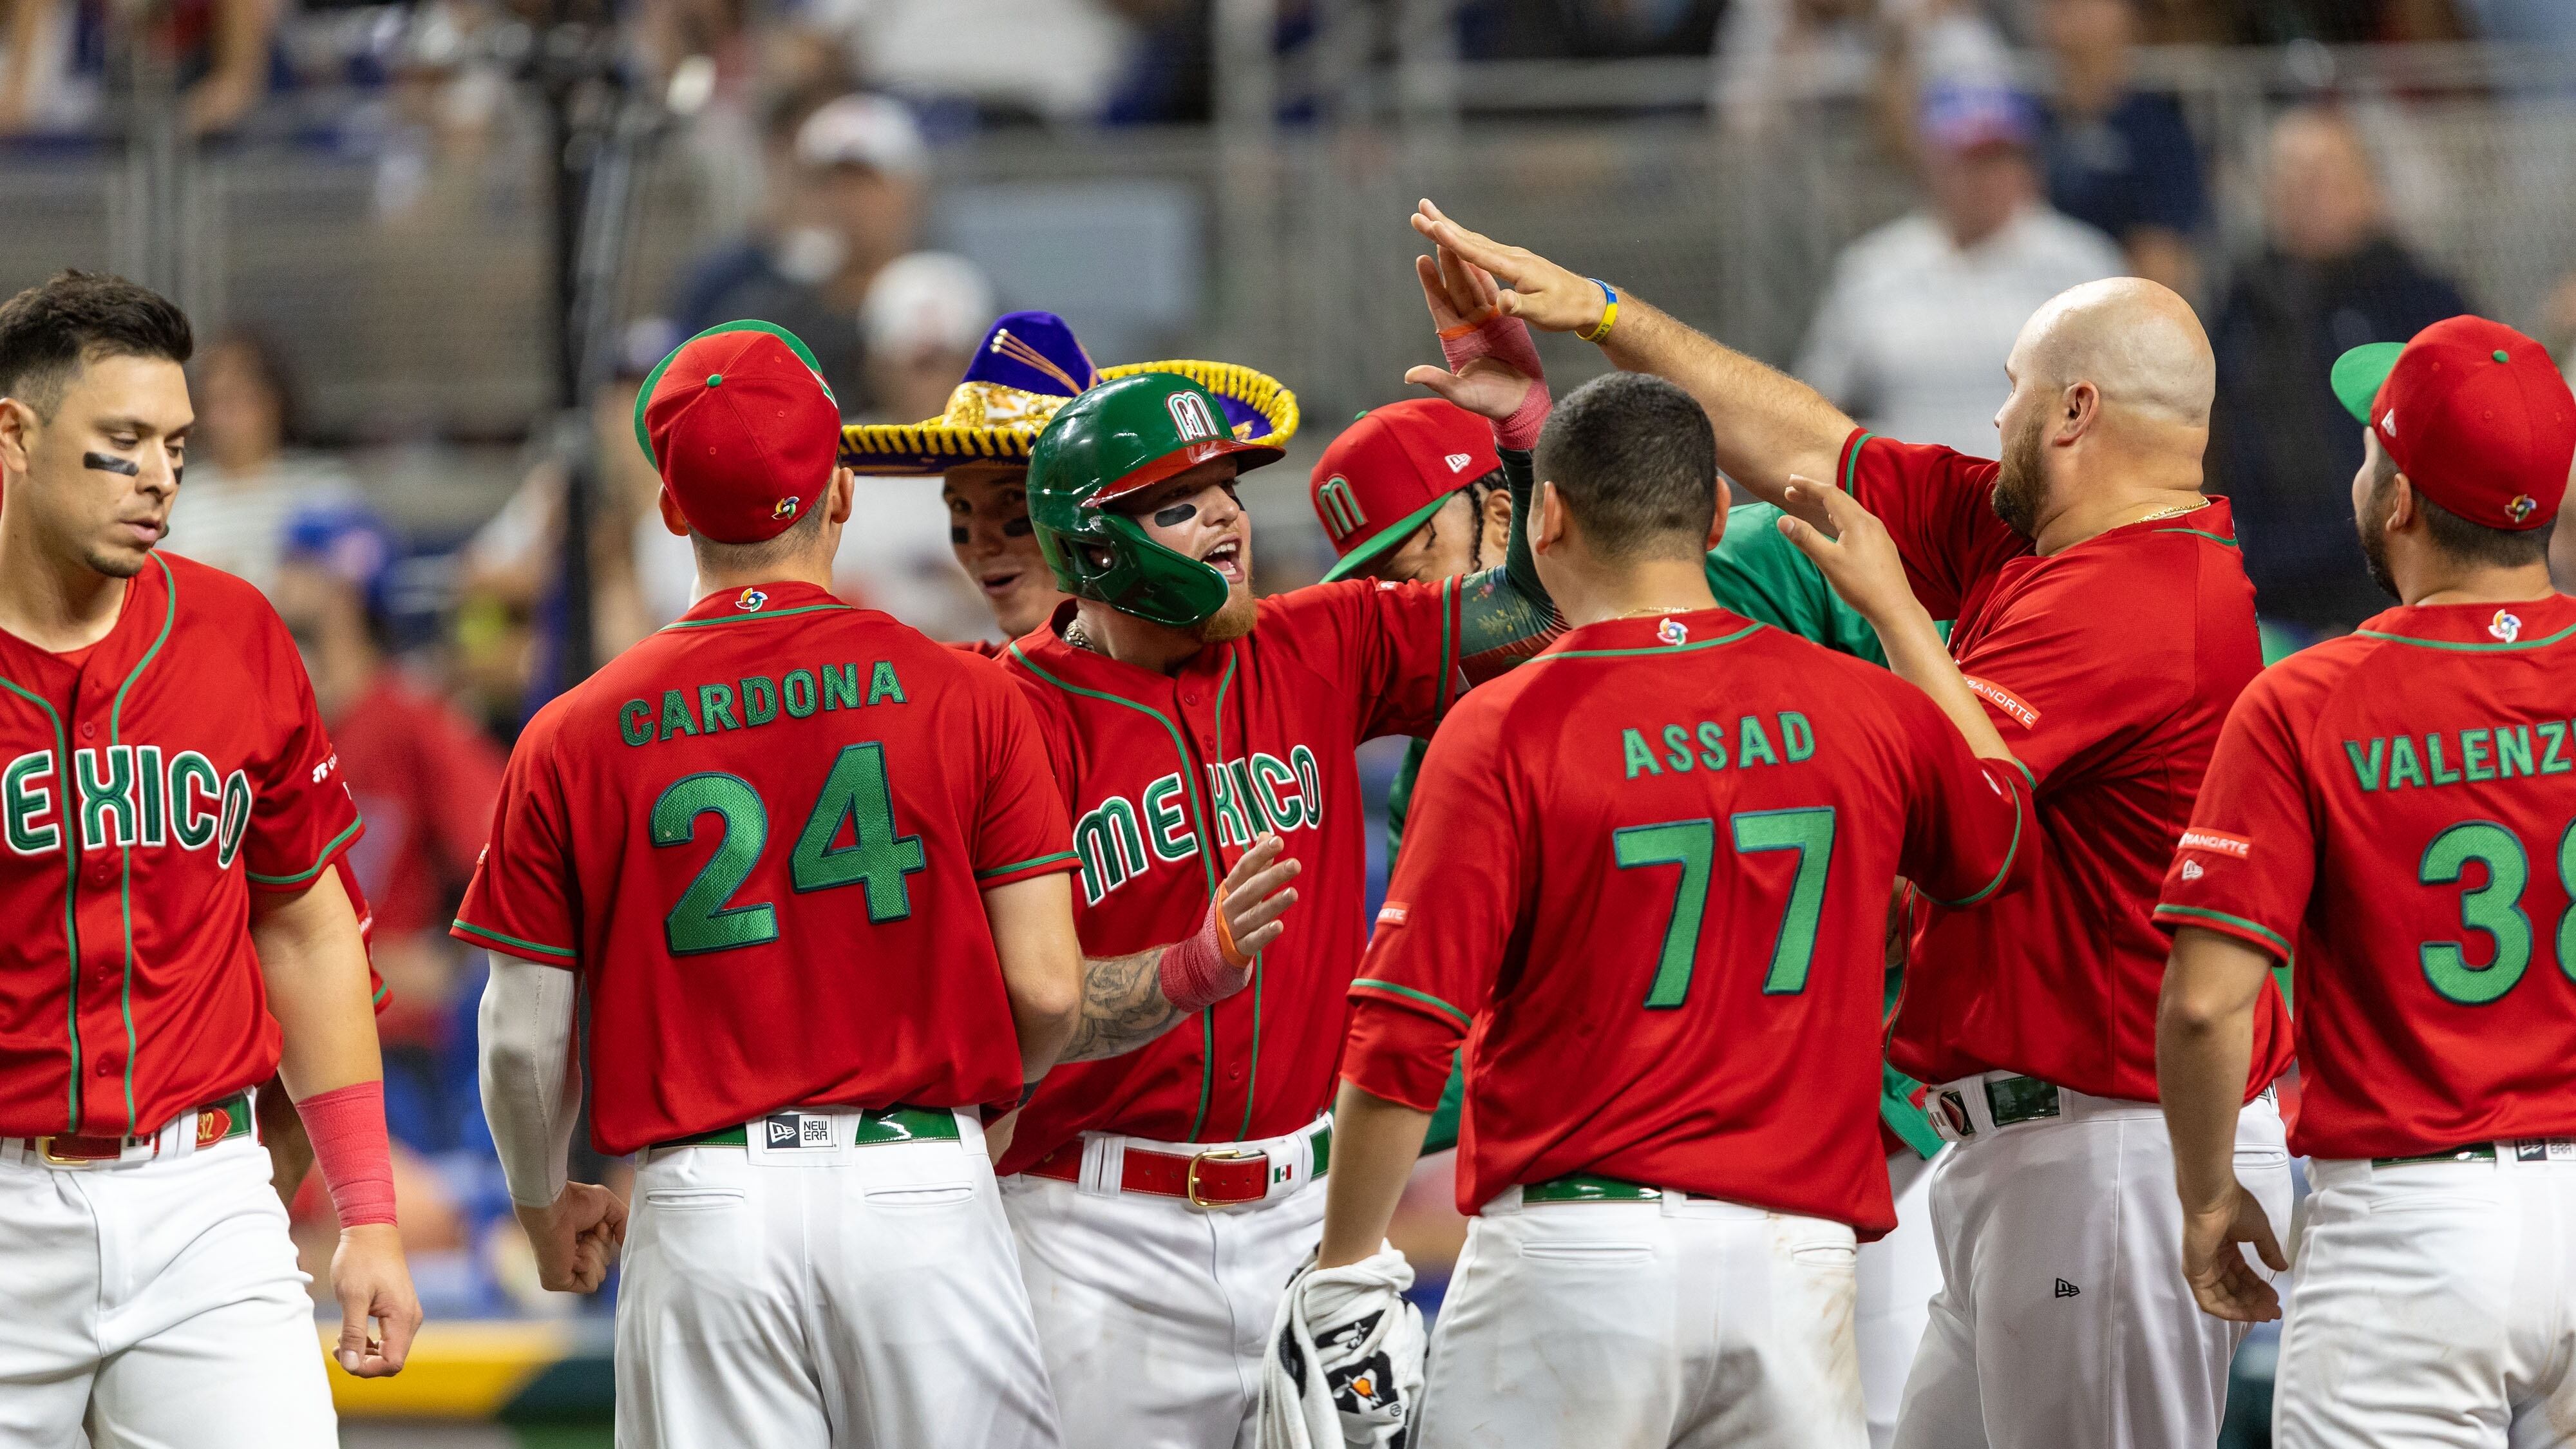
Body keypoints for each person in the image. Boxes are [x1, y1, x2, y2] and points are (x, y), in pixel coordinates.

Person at [1407, 197, 2289, 1449]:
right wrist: (1605, 315)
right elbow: (1812, 448)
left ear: (2074, 412)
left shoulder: (2140, 600)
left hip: (2109, 1154)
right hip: (2018, 1148)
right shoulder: (2038, 543)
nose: (1992, 417)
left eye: (2011, 389)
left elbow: (1970, 806)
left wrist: (1887, 610)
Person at [1308, 361, 2038, 1447]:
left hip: (1580, 1251)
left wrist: (1342, 1259)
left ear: (1539, 516)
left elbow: (1407, 1030)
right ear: (1719, 514)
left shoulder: (1500, 726)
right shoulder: (1865, 705)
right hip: (1799, 1254)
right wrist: (1901, 620)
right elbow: (1996, 847)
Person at [986, 249, 1590, 1447]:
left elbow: (1544, 603)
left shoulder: (1321, 640)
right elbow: (1021, 1011)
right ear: (1097, 547)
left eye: (1227, 485)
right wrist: (1186, 970)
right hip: (1092, 1230)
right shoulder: (1008, 718)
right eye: (1181, 497)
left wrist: (1525, 429)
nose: (1225, 513)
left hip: (1310, 1220)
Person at [458, 321, 1088, 1447]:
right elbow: (1045, 989)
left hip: (707, 1207)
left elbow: (519, 1038)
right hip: (918, 1183)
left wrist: (543, 1200)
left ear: (672, 511)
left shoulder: (570, 734)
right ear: (843, 493)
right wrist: (985, 1118)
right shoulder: (969, 694)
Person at [0, 271, 419, 1443]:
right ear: (15, 436)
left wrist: (368, 1216)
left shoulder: (234, 632)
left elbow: (307, 922)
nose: (161, 477)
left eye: (177, 446)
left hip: (202, 1193)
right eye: (121, 443)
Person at [2158, 316, 2576, 1448]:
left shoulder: (2311, 695)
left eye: (2370, 449)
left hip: (2414, 1224)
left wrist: (2206, 1198)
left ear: (2398, 503)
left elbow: (2205, 1002)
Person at [269, 504, 506, 1139]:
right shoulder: (273, 728)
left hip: (388, 1050)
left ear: (342, 586)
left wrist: (448, 962)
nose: (277, 582)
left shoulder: (406, 719)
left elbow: (511, 844)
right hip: (283, 1039)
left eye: (295, 564)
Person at [2210, 106, 2474, 636]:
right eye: (2290, 175)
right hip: (2267, 589)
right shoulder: (2238, 303)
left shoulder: (2423, 299)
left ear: (2371, 188)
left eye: (2325, 175)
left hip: (2397, 585)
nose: (2306, 191)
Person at [839, 310, 1256, 644]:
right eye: (961, 508)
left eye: (1014, 502)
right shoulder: (967, 700)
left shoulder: (1250, 656)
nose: (979, 541)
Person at [1797, 80, 2125, 455]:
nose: (1985, 178)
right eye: (1968, 160)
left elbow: (2122, 404)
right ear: (1932, 165)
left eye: (2000, 158)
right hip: (1903, 490)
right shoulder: (1873, 268)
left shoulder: (2083, 263)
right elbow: (1820, 396)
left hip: (2041, 487)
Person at [672, 93, 929, 415]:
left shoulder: (955, 309)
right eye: (829, 184)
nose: (846, 201)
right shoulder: (762, 318)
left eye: (864, 183)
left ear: (909, 191)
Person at [158, 328, 359, 596]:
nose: (223, 418)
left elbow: (354, 580)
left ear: (273, 401)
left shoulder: (324, 489)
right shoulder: (176, 500)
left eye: (235, 399)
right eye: (212, 402)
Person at [2036, 0, 2206, 298]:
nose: (2065, 12)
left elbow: (2161, 271)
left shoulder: (2158, 132)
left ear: (2126, 18)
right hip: (2022, 297)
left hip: (2114, 307)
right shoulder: (2030, 124)